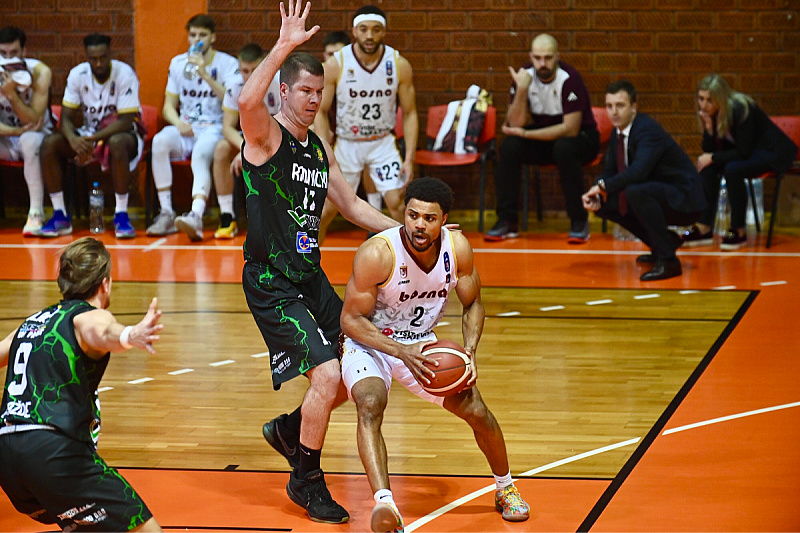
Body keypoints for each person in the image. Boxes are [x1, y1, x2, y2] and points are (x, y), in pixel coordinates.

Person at [237, 0, 398, 524]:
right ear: (283, 91)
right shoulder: (265, 139)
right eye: (304, 91)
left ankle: (289, 430)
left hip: (311, 280)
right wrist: (283, 45)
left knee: (356, 369)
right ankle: (305, 479)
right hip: (271, 283)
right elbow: (245, 99)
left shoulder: (317, 148)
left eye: (319, 92)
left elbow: (350, 206)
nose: (312, 100)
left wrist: (407, 230)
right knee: (326, 375)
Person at [339, 177, 530, 531]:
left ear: (445, 220)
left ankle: (505, 488)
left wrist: (469, 353)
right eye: (412, 216)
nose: (419, 225)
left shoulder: (457, 249)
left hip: (422, 343)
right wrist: (399, 350)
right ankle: (386, 505)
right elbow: (350, 320)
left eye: (429, 218)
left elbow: (473, 304)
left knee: (476, 410)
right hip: (371, 341)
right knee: (369, 402)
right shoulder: (378, 253)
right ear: (404, 214)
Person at [0, 237, 163, 532]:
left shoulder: (32, 322)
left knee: (83, 524)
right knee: (147, 529)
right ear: (105, 283)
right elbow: (101, 331)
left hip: (7, 458)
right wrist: (129, 335)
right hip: (50, 451)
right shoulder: (88, 315)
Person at [582, 81, 706, 281]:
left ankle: (669, 261)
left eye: (620, 105)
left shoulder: (647, 130)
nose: (614, 112)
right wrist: (596, 191)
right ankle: (662, 245)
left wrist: (604, 186)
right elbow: (609, 170)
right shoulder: (618, 132)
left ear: (634, 107)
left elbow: (638, 172)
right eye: (609, 106)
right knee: (606, 204)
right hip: (659, 193)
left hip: (685, 198)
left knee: (636, 191)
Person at [314, 5, 418, 241]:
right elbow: (320, 110)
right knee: (326, 210)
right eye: (364, 29)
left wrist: (409, 159)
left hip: (382, 142)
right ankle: (308, 267)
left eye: (376, 30)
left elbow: (410, 113)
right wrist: (324, 147)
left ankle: (408, 266)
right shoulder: (336, 64)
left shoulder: (398, 64)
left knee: (398, 205)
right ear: (354, 31)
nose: (369, 36)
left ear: (384, 32)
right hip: (347, 144)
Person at [487, 33, 599, 244]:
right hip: (545, 137)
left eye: (547, 58)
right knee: (510, 146)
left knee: (564, 148)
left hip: (581, 139)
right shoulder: (525, 76)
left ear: (557, 56)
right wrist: (521, 89)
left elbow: (570, 129)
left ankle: (579, 221)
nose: (542, 63)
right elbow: (515, 124)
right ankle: (507, 221)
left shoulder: (570, 78)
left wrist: (527, 134)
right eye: (537, 58)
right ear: (531, 56)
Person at [39, 33, 145, 239]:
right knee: (49, 144)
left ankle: (121, 215)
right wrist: (74, 140)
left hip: (122, 136)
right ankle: (60, 214)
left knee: (116, 143)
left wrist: (93, 140)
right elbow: (66, 119)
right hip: (90, 136)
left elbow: (125, 121)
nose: (98, 63)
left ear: (110, 54)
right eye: (93, 58)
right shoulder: (77, 75)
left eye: (103, 57)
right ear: (86, 57)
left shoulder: (125, 74)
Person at [146, 14, 239, 241]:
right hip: (186, 125)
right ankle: (166, 213)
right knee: (159, 142)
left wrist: (205, 75)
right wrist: (178, 122)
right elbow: (168, 106)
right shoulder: (178, 63)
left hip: (214, 126)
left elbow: (231, 99)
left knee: (200, 154)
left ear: (212, 37)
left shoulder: (227, 63)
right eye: (193, 35)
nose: (197, 39)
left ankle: (195, 215)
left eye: (202, 35)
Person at [682, 74, 799, 250]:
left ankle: (738, 230)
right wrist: (708, 128)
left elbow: (743, 152)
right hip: (749, 152)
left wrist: (713, 157)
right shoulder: (711, 113)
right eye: (701, 99)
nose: (704, 105)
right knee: (708, 169)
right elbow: (710, 150)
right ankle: (705, 228)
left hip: (772, 152)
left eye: (709, 100)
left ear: (721, 98)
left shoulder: (740, 109)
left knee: (733, 169)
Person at [211, 43, 280, 239]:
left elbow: (287, 125)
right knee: (221, 149)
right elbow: (227, 127)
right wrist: (246, 148)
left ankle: (278, 218)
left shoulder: (279, 82)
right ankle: (227, 216)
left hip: (275, 139)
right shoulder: (234, 86)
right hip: (248, 140)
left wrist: (257, 148)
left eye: (254, 70)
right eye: (244, 70)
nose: (248, 76)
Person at [0, 26, 54, 237]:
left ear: (24, 51)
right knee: (24, 136)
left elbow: (32, 120)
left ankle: (36, 212)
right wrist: (15, 130)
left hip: (40, 136)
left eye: (13, 53)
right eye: (2, 54)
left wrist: (11, 95)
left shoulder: (40, 72)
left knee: (29, 140)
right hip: (9, 135)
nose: (8, 58)